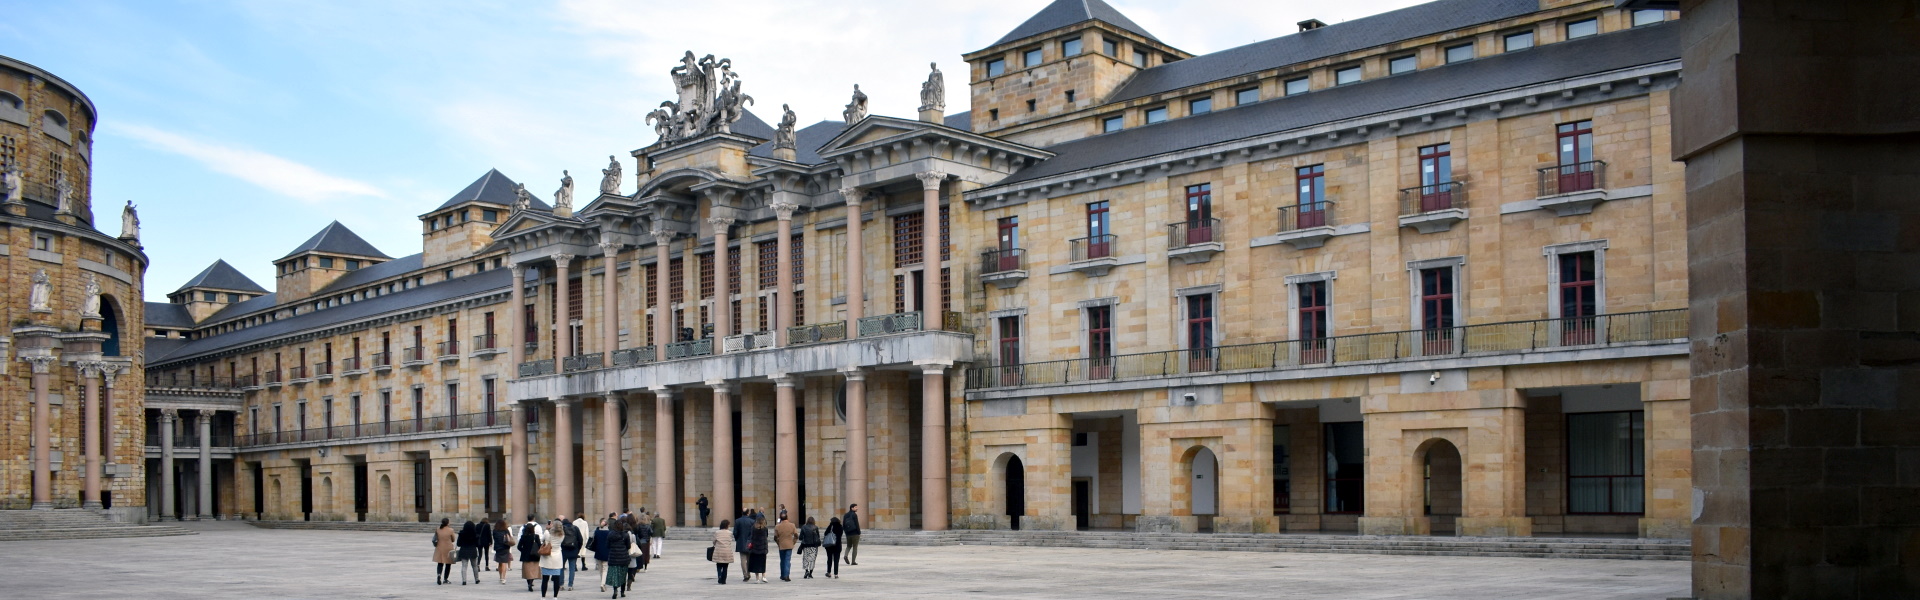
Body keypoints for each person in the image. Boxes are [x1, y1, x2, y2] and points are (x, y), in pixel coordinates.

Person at [538, 519, 566, 597]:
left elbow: (542, 539)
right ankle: (555, 597)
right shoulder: (562, 535)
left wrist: (547, 528)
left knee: (545, 580)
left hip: (547, 557)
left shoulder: (547, 533)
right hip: (557, 558)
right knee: (556, 580)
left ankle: (543, 596)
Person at [603, 520, 630, 597]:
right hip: (623, 557)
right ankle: (622, 592)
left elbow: (607, 545)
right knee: (623, 575)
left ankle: (615, 591)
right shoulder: (625, 535)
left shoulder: (610, 534)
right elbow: (628, 546)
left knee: (615, 575)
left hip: (613, 557)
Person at [518, 517, 545, 592]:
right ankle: (531, 582)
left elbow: (519, 546)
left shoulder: (523, 537)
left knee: (527, 571)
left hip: (526, 556)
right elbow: (539, 545)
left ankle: (529, 583)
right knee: (533, 571)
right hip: (534, 555)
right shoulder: (535, 536)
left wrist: (523, 551)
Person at [561, 515, 584, 590]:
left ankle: (561, 584)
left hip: (563, 550)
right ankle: (570, 585)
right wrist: (578, 549)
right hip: (573, 550)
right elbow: (580, 540)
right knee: (572, 568)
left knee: (561, 568)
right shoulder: (575, 528)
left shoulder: (562, 528)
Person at [733, 510, 755, 582]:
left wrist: (737, 539)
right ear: (748, 513)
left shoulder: (738, 521)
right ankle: (748, 573)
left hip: (741, 542)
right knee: (749, 559)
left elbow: (735, 532)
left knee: (743, 559)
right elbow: (753, 532)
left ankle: (745, 575)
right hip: (750, 543)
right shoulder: (752, 521)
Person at [433, 518, 458, 585]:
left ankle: (439, 575)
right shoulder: (450, 530)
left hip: (440, 547)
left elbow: (436, 538)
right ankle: (445, 579)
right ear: (447, 523)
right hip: (448, 548)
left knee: (440, 563)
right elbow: (453, 539)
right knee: (448, 564)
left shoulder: (438, 529)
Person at [746, 516, 771, 583]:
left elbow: (751, 537)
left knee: (756, 564)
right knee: (763, 563)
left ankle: (757, 578)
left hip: (755, 548)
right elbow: (766, 537)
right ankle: (764, 576)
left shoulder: (753, 528)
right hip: (762, 548)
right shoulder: (765, 529)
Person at [710, 519, 735, 585]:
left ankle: (719, 576)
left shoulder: (717, 532)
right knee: (725, 565)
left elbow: (714, 541)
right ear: (727, 525)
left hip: (719, 550)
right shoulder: (730, 533)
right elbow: (730, 541)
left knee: (718, 564)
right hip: (727, 551)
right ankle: (724, 579)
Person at [774, 514, 798, 582]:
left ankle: (782, 575)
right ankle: (786, 575)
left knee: (782, 560)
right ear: (787, 518)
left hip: (781, 545)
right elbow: (796, 535)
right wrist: (793, 542)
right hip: (789, 545)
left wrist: (778, 543)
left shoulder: (777, 526)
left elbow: (775, 537)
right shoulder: (792, 525)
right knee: (787, 560)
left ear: (780, 518)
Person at [589, 517, 611, 588]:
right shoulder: (609, 533)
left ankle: (602, 582)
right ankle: (602, 584)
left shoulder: (597, 532)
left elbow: (593, 541)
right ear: (607, 525)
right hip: (606, 553)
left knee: (601, 570)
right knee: (605, 569)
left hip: (598, 553)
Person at [456, 520, 480, 585]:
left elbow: (458, 544)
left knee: (464, 566)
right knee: (474, 566)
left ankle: (464, 580)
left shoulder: (461, 534)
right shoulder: (475, 534)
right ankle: (477, 579)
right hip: (472, 550)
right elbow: (478, 544)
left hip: (464, 550)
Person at [493, 519, 515, 584]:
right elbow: (509, 538)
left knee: (500, 562)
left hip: (498, 548)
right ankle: (504, 577)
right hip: (505, 547)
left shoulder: (495, 531)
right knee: (504, 563)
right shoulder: (506, 530)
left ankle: (500, 577)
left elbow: (494, 538)